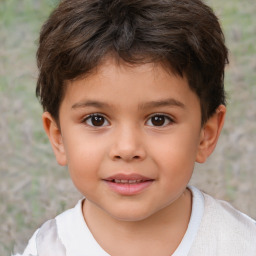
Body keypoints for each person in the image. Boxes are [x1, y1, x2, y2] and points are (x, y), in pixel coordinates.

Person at [15, 0, 256, 255]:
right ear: (58, 137)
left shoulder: (242, 244)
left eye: (159, 120)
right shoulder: (47, 248)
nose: (127, 149)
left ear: (205, 136)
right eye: (96, 120)